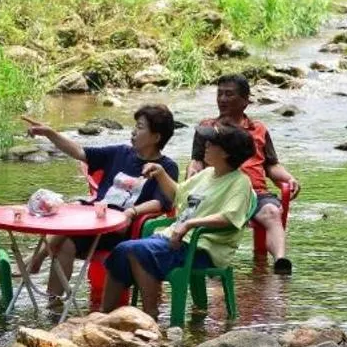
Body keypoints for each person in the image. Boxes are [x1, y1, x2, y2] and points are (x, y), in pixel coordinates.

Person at [20, 104, 179, 312]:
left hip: (120, 229)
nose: (133, 132)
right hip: (93, 221)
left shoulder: (166, 167)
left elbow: (162, 203)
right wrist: (50, 133)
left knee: (71, 218)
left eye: (140, 127)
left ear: (156, 137)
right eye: (135, 126)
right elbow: (79, 151)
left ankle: (36, 258)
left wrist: (132, 212)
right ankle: (54, 305)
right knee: (66, 242)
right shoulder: (120, 153)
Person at [102, 124, 257, 317]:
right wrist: (160, 173)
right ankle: (104, 315)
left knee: (136, 251)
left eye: (212, 143)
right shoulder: (207, 173)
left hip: (201, 249)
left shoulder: (240, 182)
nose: (206, 145)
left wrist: (190, 224)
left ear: (226, 153)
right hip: (175, 239)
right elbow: (178, 195)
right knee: (121, 250)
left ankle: (151, 315)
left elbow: (229, 216)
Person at [188, 73, 300, 274]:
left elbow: (271, 166)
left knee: (272, 212)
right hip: (219, 192)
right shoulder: (207, 128)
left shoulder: (258, 129)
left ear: (245, 101)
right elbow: (196, 161)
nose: (222, 99)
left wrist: (289, 178)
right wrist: (192, 174)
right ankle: (208, 263)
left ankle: (281, 261)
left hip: (255, 194)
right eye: (220, 94)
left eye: (229, 94)